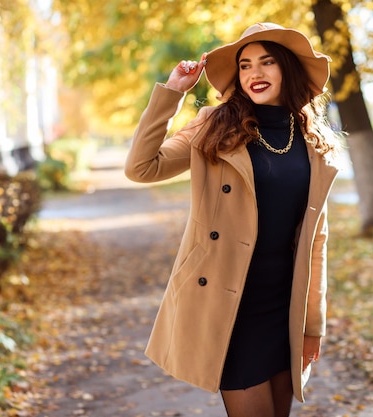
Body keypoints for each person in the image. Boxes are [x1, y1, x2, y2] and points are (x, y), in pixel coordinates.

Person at [124, 22, 341, 417]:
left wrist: (313, 325)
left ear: (287, 68)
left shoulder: (312, 141)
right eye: (245, 65)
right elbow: (142, 168)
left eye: (267, 62)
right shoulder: (215, 124)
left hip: (283, 306)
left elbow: (316, 241)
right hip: (229, 304)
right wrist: (172, 93)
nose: (254, 73)